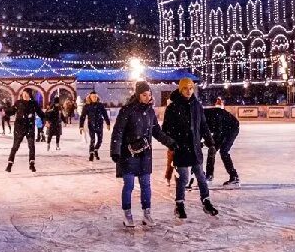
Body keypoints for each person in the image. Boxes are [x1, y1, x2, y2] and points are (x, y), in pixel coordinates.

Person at [110, 82, 175, 228]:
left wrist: (170, 143)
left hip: (145, 154)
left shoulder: (150, 112)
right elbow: (118, 132)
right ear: (138, 95)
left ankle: (147, 214)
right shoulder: (127, 111)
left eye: (149, 94)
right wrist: (115, 151)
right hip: (128, 154)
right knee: (129, 185)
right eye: (144, 95)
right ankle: (127, 215)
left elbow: (157, 132)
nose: (148, 97)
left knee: (146, 184)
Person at [161, 77, 219, 219]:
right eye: (185, 88)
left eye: (191, 88)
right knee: (183, 178)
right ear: (180, 89)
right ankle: (179, 204)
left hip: (194, 147)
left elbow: (203, 126)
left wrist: (211, 143)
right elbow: (165, 129)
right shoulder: (173, 107)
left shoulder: (196, 105)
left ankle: (206, 201)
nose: (189, 91)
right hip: (180, 148)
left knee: (201, 176)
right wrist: (173, 143)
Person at [203, 101, 240, 187]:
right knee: (211, 151)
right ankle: (209, 176)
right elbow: (202, 134)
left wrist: (206, 143)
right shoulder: (201, 119)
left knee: (223, 151)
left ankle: (234, 177)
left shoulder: (213, 116)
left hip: (232, 128)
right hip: (222, 129)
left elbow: (218, 134)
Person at [6, 92, 40, 172]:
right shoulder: (18, 103)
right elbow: (11, 111)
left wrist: (46, 119)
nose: (25, 95)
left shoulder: (33, 103)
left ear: (30, 95)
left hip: (29, 127)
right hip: (19, 128)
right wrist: (7, 111)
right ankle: (9, 164)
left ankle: (32, 164)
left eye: (27, 93)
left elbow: (40, 113)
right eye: (24, 93)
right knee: (15, 146)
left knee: (31, 146)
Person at [79, 92, 111, 161]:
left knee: (100, 140)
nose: (94, 98)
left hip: (99, 124)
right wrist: (81, 126)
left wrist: (108, 123)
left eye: (95, 97)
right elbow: (82, 117)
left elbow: (105, 115)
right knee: (92, 140)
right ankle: (91, 154)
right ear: (90, 97)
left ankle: (96, 150)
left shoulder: (100, 105)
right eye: (93, 97)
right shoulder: (87, 106)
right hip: (91, 125)